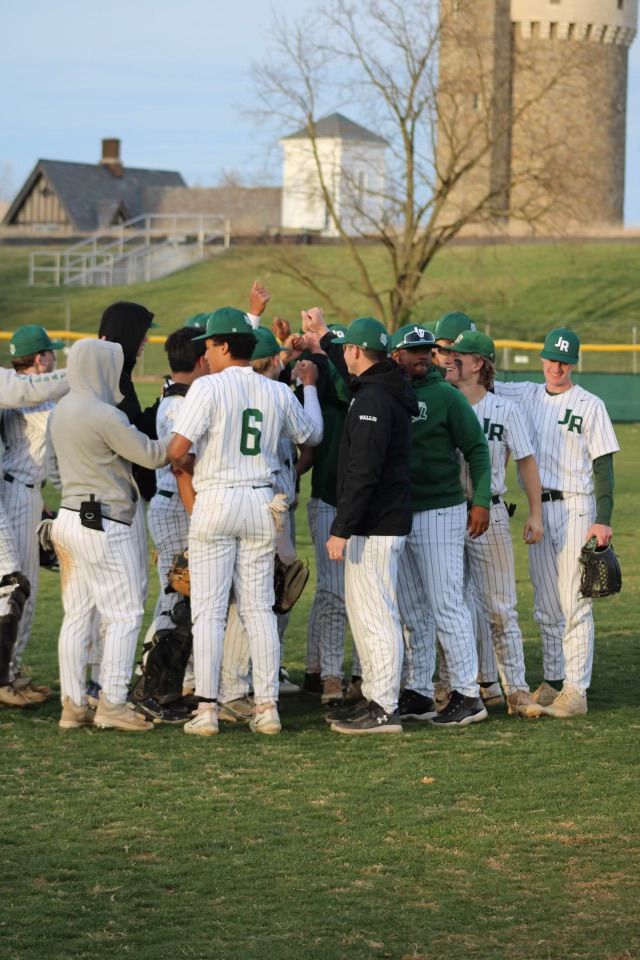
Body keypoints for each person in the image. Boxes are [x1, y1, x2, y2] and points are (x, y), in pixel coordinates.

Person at [167, 307, 323, 737]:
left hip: (216, 498)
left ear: (221, 346)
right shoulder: (275, 390)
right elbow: (309, 435)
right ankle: (268, 707)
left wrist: (190, 466)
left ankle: (207, 709)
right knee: (259, 609)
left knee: (209, 612)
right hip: (261, 501)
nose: (207, 354)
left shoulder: (208, 387)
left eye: (209, 346)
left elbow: (177, 450)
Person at [495, 328, 619, 717]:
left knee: (574, 602)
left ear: (573, 363)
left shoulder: (590, 404)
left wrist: (603, 520)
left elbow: (604, 467)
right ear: (542, 358)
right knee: (547, 604)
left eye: (563, 361)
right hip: (539, 507)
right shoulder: (527, 393)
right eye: (551, 359)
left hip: (577, 507)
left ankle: (576, 691)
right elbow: (482, 381)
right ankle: (552, 682)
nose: (556, 366)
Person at [48, 338, 168, 732]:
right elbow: (151, 455)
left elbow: (52, 467)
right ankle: (112, 703)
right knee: (125, 613)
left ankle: (72, 703)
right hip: (104, 520)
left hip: (68, 518)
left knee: (77, 614)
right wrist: (181, 437)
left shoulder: (61, 408)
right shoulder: (104, 414)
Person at [388, 324, 493, 727]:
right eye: (412, 349)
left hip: (440, 511)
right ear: (396, 354)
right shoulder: (391, 392)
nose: (421, 355)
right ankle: (418, 690)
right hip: (401, 512)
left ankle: (467, 694)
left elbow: (477, 449)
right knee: (413, 606)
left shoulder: (446, 396)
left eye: (426, 349)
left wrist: (480, 500)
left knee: (446, 602)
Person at [439, 330, 546, 717]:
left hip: (493, 513)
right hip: (448, 512)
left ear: (479, 363)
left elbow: (527, 461)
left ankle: (516, 689)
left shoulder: (505, 410)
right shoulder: (443, 403)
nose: (449, 359)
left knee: (500, 608)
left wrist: (535, 514)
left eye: (458, 355)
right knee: (448, 606)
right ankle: (451, 687)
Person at [320, 316, 418, 735]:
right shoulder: (379, 388)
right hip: (379, 522)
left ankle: (384, 707)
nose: (345, 354)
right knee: (370, 615)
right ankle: (379, 700)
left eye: (345, 348)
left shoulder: (375, 398)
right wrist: (325, 337)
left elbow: (364, 470)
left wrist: (341, 527)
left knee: (376, 616)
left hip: (375, 524)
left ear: (357, 351)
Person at [0, 355, 69, 709]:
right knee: (19, 588)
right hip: (17, 492)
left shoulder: (17, 392)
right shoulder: (32, 399)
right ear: (43, 358)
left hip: (26, 491)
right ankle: (5, 676)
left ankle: (10, 672)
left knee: (23, 588)